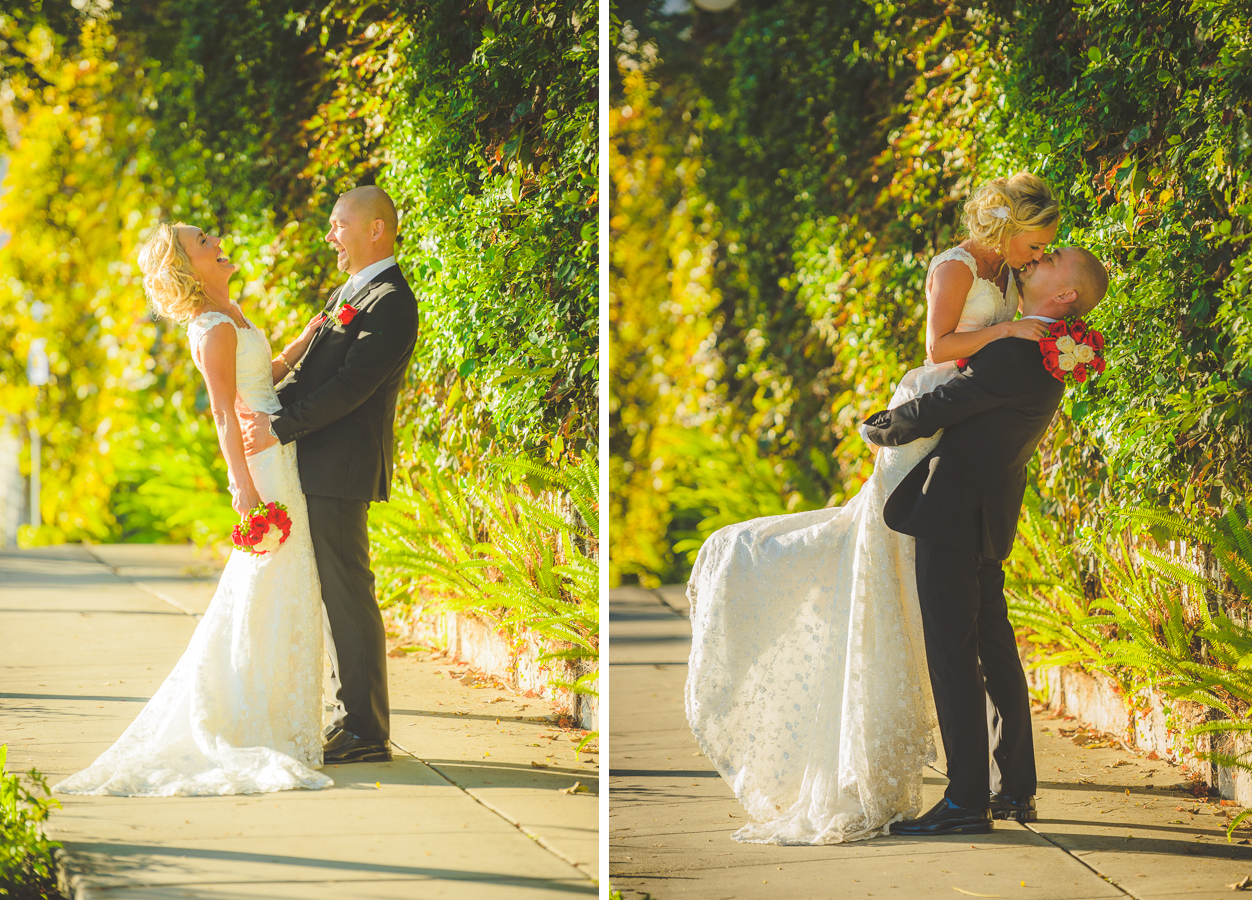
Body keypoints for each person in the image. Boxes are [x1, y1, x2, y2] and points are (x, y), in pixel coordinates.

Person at [684, 173, 1061, 844]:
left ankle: (992, 790)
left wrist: (1017, 328)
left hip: (962, 431)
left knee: (965, 625)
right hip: (930, 425)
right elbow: (938, 350)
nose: (1040, 256)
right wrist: (1008, 331)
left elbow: (1001, 364)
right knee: (908, 587)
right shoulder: (957, 271)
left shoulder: (1013, 280)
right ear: (1007, 232)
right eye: (1036, 244)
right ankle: (981, 788)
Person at [56, 222, 332, 796]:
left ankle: (281, 713)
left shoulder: (233, 314)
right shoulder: (210, 328)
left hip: (280, 452)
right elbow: (225, 414)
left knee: (288, 582)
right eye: (201, 239)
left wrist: (303, 341)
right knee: (269, 583)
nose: (214, 241)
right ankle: (252, 716)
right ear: (188, 265)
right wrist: (244, 489)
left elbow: (264, 381)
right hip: (262, 465)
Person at [868, 245, 1110, 836]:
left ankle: (966, 801)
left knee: (953, 654)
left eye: (1053, 259)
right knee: (992, 647)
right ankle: (1014, 788)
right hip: (987, 512)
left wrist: (876, 427)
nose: (1040, 258)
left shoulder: (1017, 351)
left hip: (952, 510)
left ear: (1065, 295)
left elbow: (944, 405)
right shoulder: (1047, 353)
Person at [237, 185, 419, 765]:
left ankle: (366, 729)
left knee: (348, 594)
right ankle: (353, 717)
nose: (330, 236)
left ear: (376, 230)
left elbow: (350, 389)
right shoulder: (348, 294)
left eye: (339, 224)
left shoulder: (391, 301)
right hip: (317, 463)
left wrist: (281, 426)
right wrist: (266, 412)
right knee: (336, 594)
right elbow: (316, 373)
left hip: (341, 468)